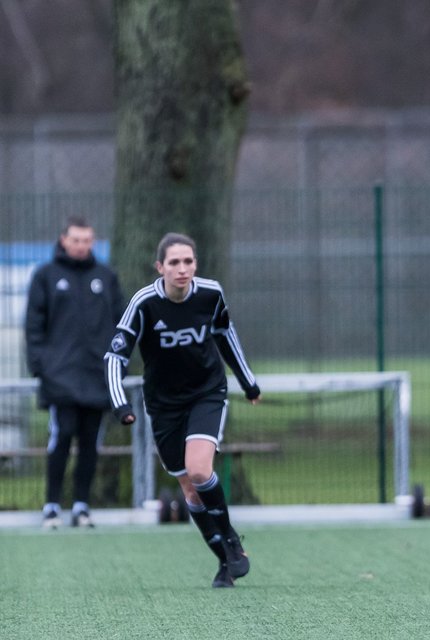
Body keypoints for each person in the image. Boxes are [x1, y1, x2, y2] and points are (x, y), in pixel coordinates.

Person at [103, 233, 260, 588]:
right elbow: (115, 356)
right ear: (160, 267)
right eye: (174, 262)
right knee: (190, 490)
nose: (182, 269)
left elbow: (225, 335)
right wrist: (120, 405)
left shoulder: (210, 294)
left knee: (200, 470)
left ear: (195, 264)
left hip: (207, 392)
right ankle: (224, 560)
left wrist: (248, 383)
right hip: (163, 404)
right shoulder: (144, 304)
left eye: (188, 261)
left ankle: (231, 538)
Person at [24, 216, 126, 529]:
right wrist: (41, 366)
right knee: (62, 435)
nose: (81, 246)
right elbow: (34, 325)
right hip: (61, 377)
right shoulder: (46, 275)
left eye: (87, 240)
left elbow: (122, 324)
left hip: (97, 376)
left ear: (92, 242)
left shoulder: (105, 277)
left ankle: (82, 506)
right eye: (76, 240)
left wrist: (118, 365)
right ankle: (51, 506)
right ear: (64, 240)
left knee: (89, 442)